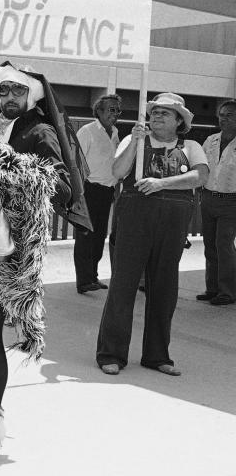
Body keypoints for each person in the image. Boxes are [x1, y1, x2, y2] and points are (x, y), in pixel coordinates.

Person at [0, 61, 83, 455]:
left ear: (32, 95)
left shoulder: (38, 130)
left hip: (11, 248)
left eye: (17, 91)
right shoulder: (2, 128)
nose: (9, 98)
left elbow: (59, 186)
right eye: (3, 91)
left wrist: (9, 169)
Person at [96, 93, 208, 377]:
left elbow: (200, 177)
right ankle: (111, 353)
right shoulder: (134, 140)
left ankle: (157, 355)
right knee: (123, 285)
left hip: (171, 226)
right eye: (155, 111)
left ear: (179, 121)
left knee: (164, 289)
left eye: (166, 113)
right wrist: (134, 142)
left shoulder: (191, 146)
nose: (157, 116)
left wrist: (161, 183)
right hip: (134, 221)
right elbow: (118, 171)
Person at [74, 94, 121, 294]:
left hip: (106, 192)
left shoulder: (115, 132)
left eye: (117, 110)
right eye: (111, 109)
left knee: (99, 236)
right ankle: (84, 281)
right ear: (99, 111)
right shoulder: (88, 131)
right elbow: (75, 161)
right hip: (88, 190)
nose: (115, 114)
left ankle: (92, 276)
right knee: (85, 237)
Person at [198, 100, 236, 306]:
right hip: (208, 198)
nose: (223, 118)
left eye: (229, 115)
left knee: (224, 244)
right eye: (221, 115)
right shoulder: (211, 140)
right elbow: (202, 167)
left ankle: (228, 291)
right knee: (210, 245)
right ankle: (212, 288)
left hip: (231, 201)